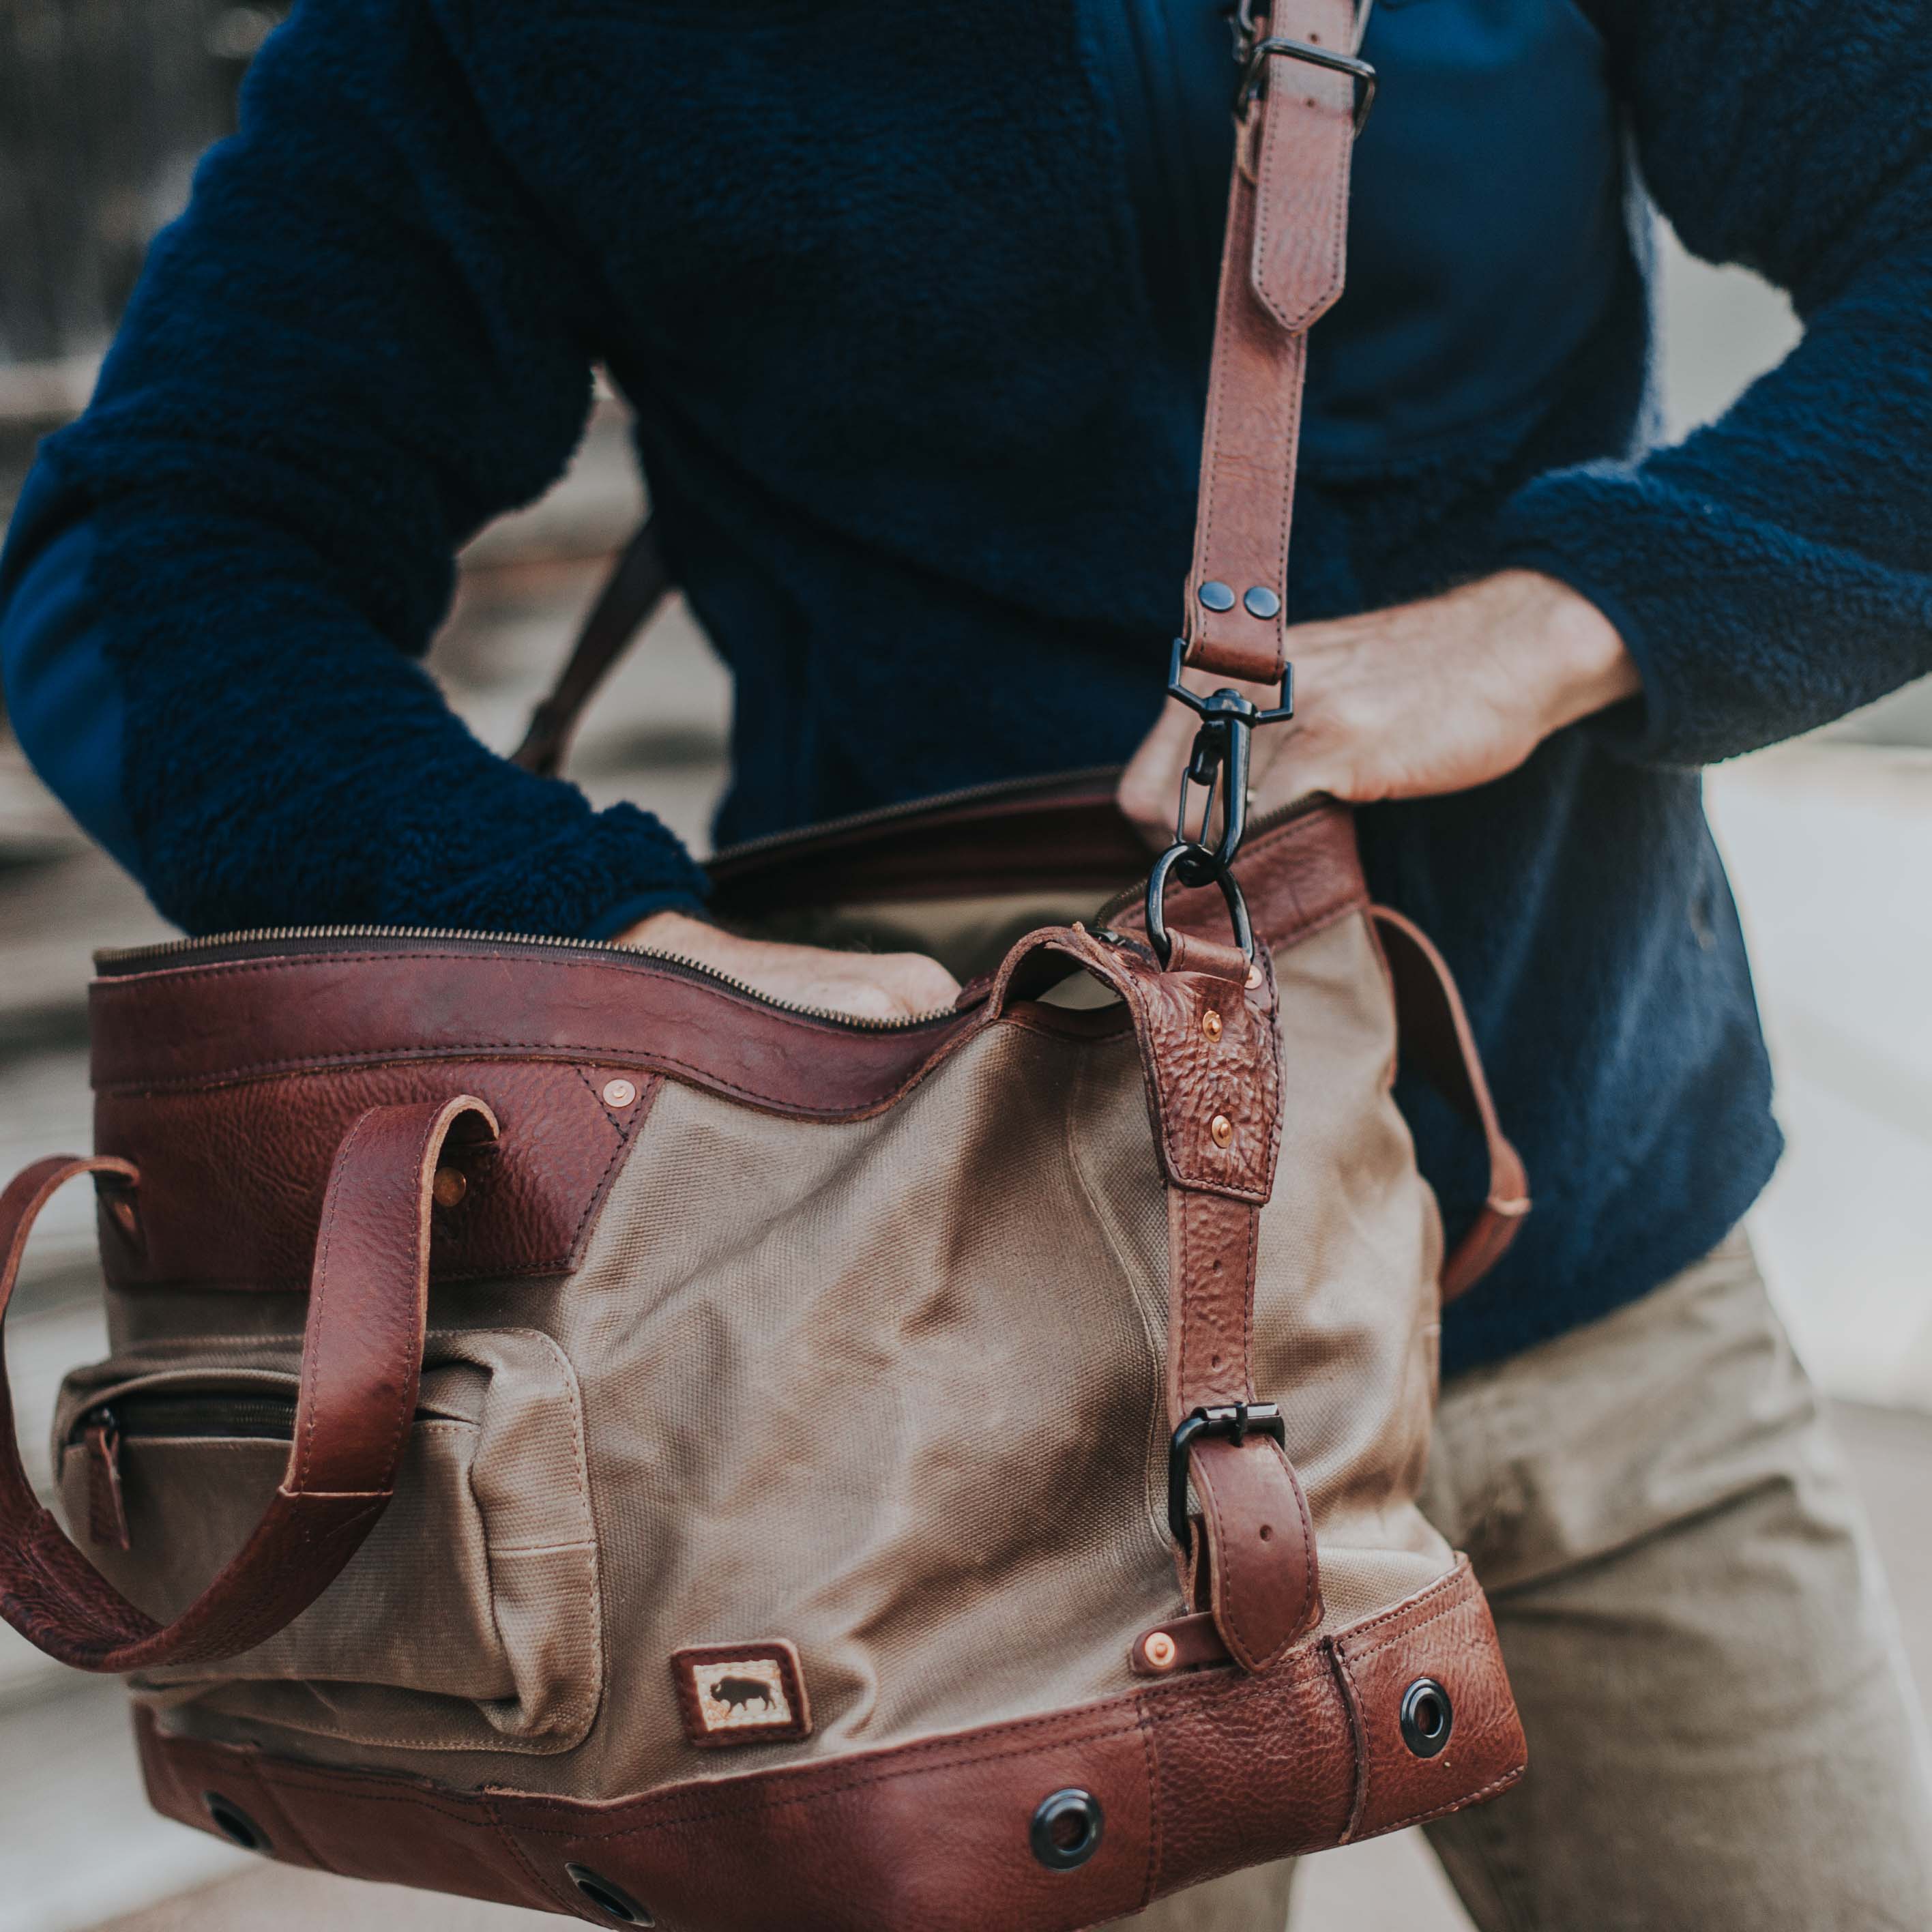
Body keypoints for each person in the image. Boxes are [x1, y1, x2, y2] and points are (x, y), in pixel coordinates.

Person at [4, 0, 1931, 1923]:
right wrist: (614, 951)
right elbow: (161, 548)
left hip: (1606, 1275)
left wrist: (1575, 615)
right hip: (954, 1418)